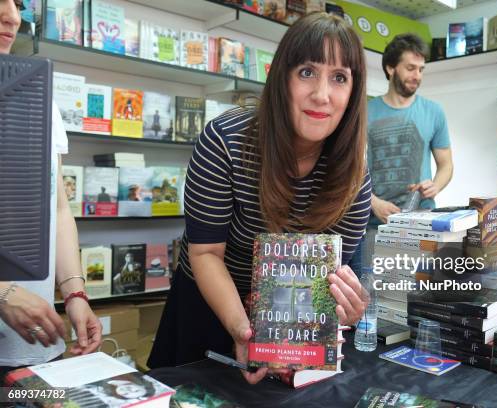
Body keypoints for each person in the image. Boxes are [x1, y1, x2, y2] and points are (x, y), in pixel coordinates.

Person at [148, 12, 371, 384]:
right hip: (208, 306)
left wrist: (343, 305)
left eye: (339, 78)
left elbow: (324, 279)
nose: (321, 94)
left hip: (291, 322)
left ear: (353, 93)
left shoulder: (355, 175)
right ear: (282, 77)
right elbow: (205, 254)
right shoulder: (226, 140)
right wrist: (243, 331)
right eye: (307, 72)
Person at [0, 0, 101, 379]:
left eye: (18, 3)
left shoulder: (37, 99)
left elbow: (56, 208)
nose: (12, 15)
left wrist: (74, 294)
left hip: (36, 348)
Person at [349, 33, 454, 276]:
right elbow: (348, 166)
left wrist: (435, 186)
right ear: (390, 68)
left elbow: (446, 165)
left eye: (421, 69)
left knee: (417, 296)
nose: (416, 75)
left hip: (422, 223)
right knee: (372, 300)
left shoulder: (434, 112)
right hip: (374, 224)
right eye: (410, 68)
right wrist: (372, 202)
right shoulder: (364, 111)